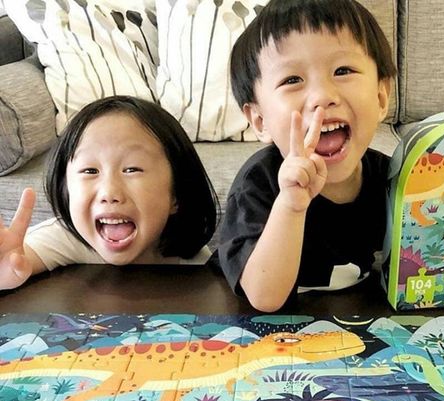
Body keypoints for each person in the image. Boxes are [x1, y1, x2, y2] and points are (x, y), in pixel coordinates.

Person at [218, 0, 396, 312]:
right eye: (292, 80)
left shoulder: (391, 177)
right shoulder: (258, 183)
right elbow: (264, 298)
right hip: (258, 324)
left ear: (381, 98)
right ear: (259, 120)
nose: (322, 96)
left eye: (342, 71)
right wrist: (291, 205)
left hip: (354, 319)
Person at [0, 95, 218, 290]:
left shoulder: (195, 260)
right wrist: (5, 271)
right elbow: (14, 261)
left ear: (176, 195)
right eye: (90, 171)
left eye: (132, 169)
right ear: (65, 190)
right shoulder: (64, 238)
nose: (109, 192)